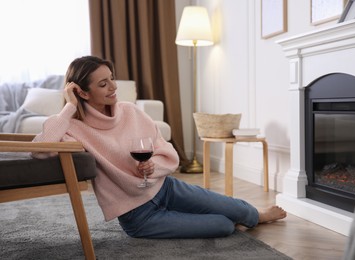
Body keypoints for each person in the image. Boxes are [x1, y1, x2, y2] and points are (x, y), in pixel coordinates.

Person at [32, 55, 286, 238]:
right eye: (103, 84)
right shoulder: (73, 129)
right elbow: (40, 150)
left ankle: (256, 215)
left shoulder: (130, 111)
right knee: (222, 226)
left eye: (111, 79)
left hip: (166, 188)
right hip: (139, 216)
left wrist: (154, 167)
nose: (113, 87)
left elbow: (167, 151)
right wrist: (69, 107)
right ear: (83, 93)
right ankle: (232, 219)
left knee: (235, 208)